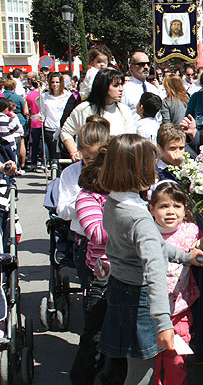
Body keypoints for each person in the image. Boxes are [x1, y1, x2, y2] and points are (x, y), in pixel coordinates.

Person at [96, 134, 203, 385]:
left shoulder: (114, 201)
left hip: (120, 289)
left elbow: (154, 246)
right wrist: (164, 323)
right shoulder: (140, 218)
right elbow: (155, 274)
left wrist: (185, 257)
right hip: (141, 300)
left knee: (134, 371)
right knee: (141, 377)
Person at [70, 147, 126, 385]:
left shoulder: (130, 195)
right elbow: (96, 234)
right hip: (102, 277)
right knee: (95, 337)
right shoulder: (87, 196)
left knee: (122, 339)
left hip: (128, 274)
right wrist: (133, 225)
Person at [149, 182, 203, 385]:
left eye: (177, 206)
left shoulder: (189, 231)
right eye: (163, 206)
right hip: (149, 313)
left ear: (185, 209)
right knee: (152, 366)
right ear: (152, 209)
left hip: (179, 309)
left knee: (177, 363)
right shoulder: (147, 232)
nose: (170, 212)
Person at [57, 118, 111, 297]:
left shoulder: (112, 172)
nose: (90, 162)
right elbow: (62, 210)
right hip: (84, 239)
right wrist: (84, 199)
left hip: (113, 240)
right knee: (92, 291)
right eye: (87, 157)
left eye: (96, 158)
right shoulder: (70, 173)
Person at [61, 69, 135, 162]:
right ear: (103, 86)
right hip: (91, 166)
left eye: (121, 85)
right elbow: (66, 132)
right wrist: (74, 152)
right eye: (116, 85)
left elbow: (130, 138)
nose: (121, 89)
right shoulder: (84, 108)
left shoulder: (124, 110)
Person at [39, 72, 71, 162]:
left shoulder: (68, 95)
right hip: (50, 128)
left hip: (64, 128)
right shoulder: (44, 96)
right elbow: (43, 112)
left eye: (57, 82)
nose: (55, 84)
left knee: (65, 155)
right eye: (53, 82)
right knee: (54, 155)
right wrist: (41, 117)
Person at [121, 52, 161, 119]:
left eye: (148, 64)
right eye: (141, 64)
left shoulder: (153, 88)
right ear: (131, 67)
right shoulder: (125, 90)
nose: (146, 67)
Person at [25, 75, 43, 170]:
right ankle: (44, 161)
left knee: (34, 143)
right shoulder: (44, 94)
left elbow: (25, 111)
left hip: (34, 121)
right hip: (44, 120)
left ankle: (34, 162)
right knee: (44, 143)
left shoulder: (29, 95)